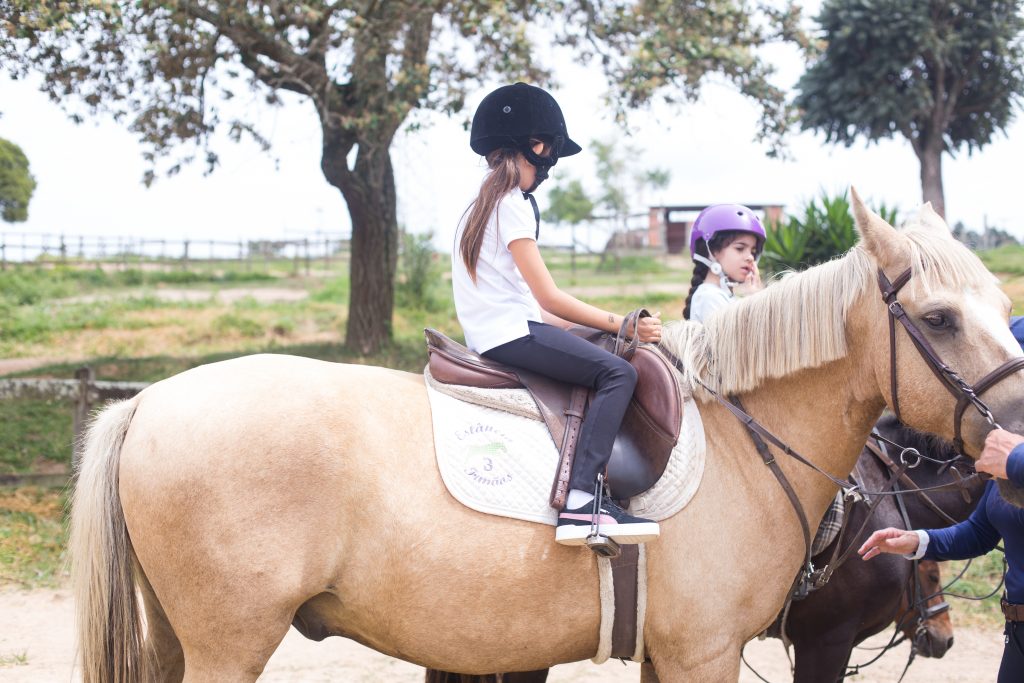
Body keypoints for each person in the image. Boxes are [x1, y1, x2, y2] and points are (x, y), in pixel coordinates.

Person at [452, 82, 662, 546]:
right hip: (511, 334)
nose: (550, 169)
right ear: (538, 146)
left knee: (596, 348)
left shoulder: (480, 204)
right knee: (617, 375)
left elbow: (542, 312)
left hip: (498, 331)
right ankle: (583, 501)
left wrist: (596, 327)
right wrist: (621, 323)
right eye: (552, 156)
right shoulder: (512, 205)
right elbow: (548, 298)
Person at [858, 317, 1024, 682]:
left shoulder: (1014, 453)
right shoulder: (1011, 443)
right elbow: (979, 533)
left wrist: (1015, 460)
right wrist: (917, 541)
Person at [682, 204, 766, 322]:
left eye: (753, 251)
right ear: (712, 251)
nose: (750, 257)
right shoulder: (710, 297)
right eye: (740, 248)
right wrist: (754, 301)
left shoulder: (725, 296)